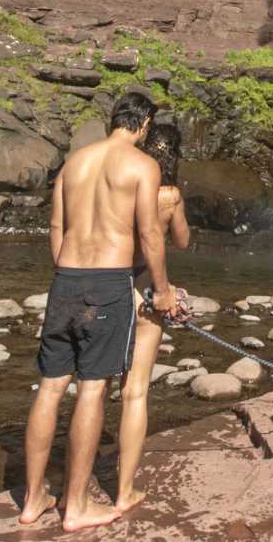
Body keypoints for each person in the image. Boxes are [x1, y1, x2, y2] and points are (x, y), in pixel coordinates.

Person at [18, 91, 181, 534]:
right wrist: (162, 291)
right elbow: (149, 233)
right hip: (107, 284)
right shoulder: (142, 166)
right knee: (92, 391)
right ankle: (76, 506)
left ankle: (32, 500)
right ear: (144, 124)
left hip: (64, 279)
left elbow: (56, 227)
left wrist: (68, 275)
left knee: (50, 389)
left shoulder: (75, 163)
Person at [112, 121, 191, 518]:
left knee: (91, 389)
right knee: (136, 392)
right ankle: (124, 488)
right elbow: (182, 241)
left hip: (109, 283)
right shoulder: (169, 195)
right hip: (146, 288)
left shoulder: (124, 181)